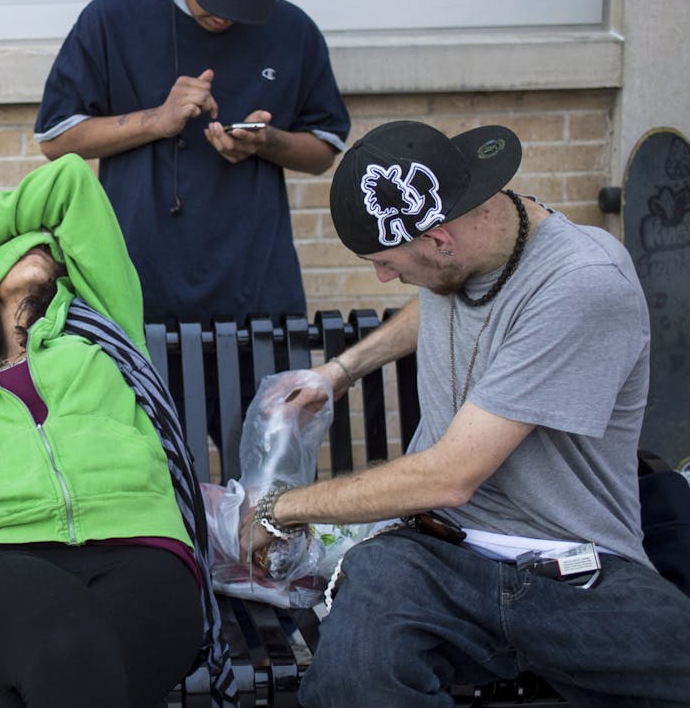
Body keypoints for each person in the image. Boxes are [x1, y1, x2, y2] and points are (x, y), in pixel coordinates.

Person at [240, 119, 690, 707]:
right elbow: (437, 296)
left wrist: (280, 508)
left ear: (442, 238)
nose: (382, 275)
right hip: (430, 552)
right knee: (354, 683)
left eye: (386, 261)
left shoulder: (583, 282)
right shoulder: (467, 252)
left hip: (577, 566)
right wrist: (340, 371)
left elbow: (450, 476)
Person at [0, 153, 238, 708]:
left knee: (81, 667)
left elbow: (69, 181)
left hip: (141, 544)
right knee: (72, 652)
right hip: (7, 557)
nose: (41, 239)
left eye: (46, 238)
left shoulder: (105, 321)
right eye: (21, 238)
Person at [34, 0, 350, 328]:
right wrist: (156, 120)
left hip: (257, 295)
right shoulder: (113, 19)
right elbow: (54, 138)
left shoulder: (294, 31)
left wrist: (267, 142)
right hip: (134, 290)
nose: (227, 13)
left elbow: (323, 152)